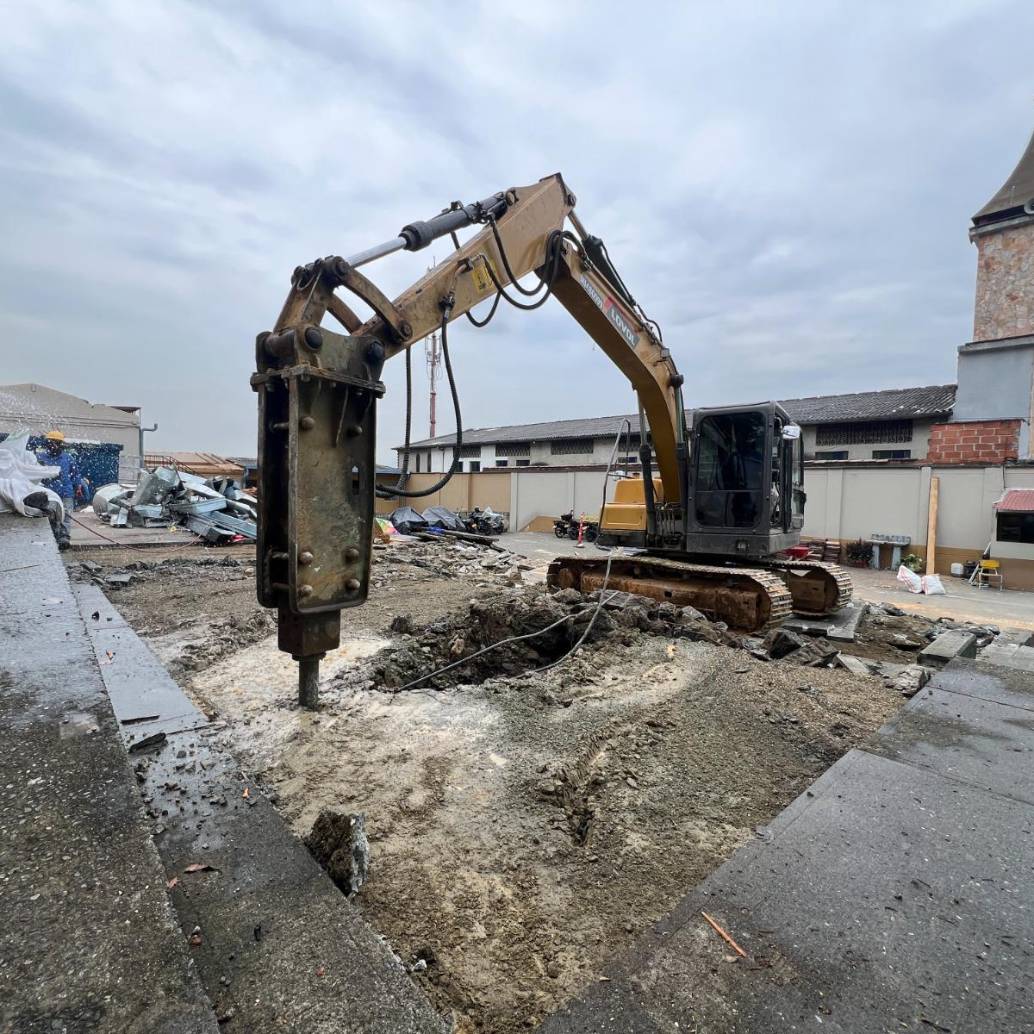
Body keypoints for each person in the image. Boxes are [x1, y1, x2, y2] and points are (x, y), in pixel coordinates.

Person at [36, 430, 89, 550]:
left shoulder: (68, 458)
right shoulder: (40, 458)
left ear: (61, 444)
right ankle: (53, 537)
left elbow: (75, 475)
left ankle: (64, 538)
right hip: (48, 493)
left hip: (66, 493)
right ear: (47, 443)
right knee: (50, 515)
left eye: (56, 443)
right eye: (51, 442)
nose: (54, 445)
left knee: (66, 516)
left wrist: (78, 487)